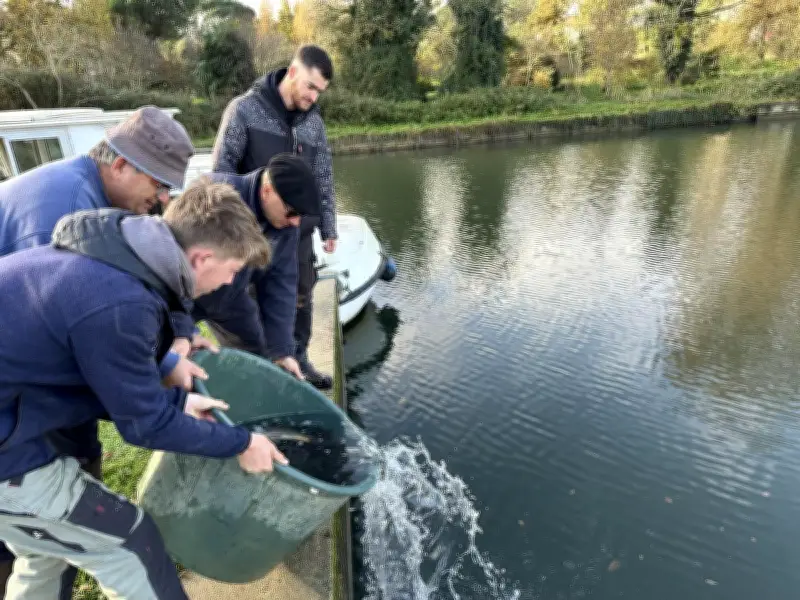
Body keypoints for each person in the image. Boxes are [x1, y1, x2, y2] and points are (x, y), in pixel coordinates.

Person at [0, 178, 288, 600]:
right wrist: (242, 441)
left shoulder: (113, 254)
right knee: (131, 544)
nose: (229, 284)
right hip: (8, 450)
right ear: (202, 257)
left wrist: (177, 400)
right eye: (231, 271)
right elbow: (145, 427)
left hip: (14, 416)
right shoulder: (122, 303)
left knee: (49, 547)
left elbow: (102, 372)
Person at [0, 105, 212, 594]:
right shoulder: (60, 212)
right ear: (121, 164)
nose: (161, 203)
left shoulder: (101, 207)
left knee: (51, 539)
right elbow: (61, 348)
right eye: (158, 186)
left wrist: (165, 357)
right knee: (71, 521)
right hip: (10, 408)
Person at [212, 44, 337, 390]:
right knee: (250, 303)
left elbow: (324, 176)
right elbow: (222, 170)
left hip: (298, 231)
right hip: (251, 232)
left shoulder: (314, 123)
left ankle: (299, 360)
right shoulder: (244, 110)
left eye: (320, 92)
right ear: (292, 72)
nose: (314, 97)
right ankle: (259, 374)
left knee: (300, 296)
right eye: (311, 87)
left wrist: (328, 225)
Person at [192, 153, 322, 379]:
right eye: (291, 212)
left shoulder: (286, 227)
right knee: (176, 352)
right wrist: (182, 329)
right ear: (267, 190)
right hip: (188, 292)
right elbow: (174, 265)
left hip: (230, 296)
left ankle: (248, 391)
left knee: (258, 347)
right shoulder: (217, 197)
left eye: (300, 215)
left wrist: (282, 350)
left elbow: (281, 283)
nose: (295, 222)